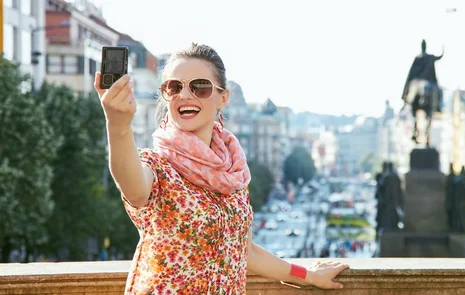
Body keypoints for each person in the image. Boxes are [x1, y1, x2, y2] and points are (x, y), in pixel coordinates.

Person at [94, 43, 349, 294]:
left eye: (200, 87)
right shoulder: (158, 166)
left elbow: (247, 252)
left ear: (223, 98)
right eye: (174, 87)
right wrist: (118, 126)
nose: (185, 95)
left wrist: (310, 276)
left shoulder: (233, 173)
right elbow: (133, 187)